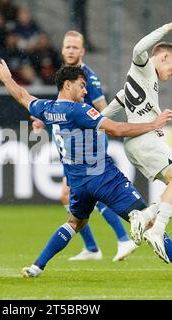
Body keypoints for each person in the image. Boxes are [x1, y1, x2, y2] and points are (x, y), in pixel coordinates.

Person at [0, 60, 172, 278]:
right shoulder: (80, 110)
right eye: (81, 85)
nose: (85, 90)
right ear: (66, 85)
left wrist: (6, 78)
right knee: (148, 221)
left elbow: (23, 96)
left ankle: (36, 267)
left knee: (75, 222)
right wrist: (153, 125)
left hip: (78, 183)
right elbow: (116, 129)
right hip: (103, 177)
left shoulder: (47, 109)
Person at [34, 30, 137, 262]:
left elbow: (102, 106)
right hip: (75, 146)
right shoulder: (69, 76)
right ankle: (92, 247)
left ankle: (122, 239)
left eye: (74, 47)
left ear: (82, 51)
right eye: (67, 46)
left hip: (87, 145)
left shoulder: (87, 76)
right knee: (68, 195)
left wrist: (99, 127)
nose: (70, 50)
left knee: (88, 191)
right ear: (62, 49)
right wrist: (45, 119)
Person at [102, 18, 172, 264]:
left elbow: (120, 100)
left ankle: (146, 216)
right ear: (162, 57)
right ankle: (156, 229)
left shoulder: (142, 80)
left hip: (138, 142)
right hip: (144, 138)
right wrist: (167, 27)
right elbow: (137, 50)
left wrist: (96, 121)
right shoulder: (143, 67)